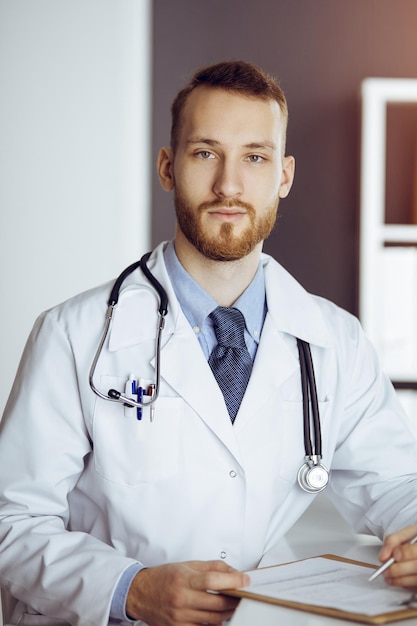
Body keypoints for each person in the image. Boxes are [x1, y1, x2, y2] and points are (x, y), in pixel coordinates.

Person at [1, 60, 417, 626]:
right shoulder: (74, 335)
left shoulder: (333, 340)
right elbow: (12, 523)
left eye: (254, 156)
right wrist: (130, 588)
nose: (229, 184)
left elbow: (392, 481)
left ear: (285, 176)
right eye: (204, 153)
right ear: (168, 168)